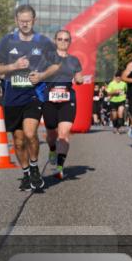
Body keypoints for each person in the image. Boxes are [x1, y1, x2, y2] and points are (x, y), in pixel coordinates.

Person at [0, 4, 60, 191]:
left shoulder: (43, 42)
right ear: (16, 21)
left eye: (28, 21)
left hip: (33, 95)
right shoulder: (6, 42)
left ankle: (35, 167)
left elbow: (57, 65)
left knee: (30, 133)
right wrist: (13, 66)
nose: (25, 24)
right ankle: (26, 173)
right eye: (22, 21)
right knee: (19, 141)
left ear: (34, 20)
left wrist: (42, 76)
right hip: (12, 97)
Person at [42, 30, 83, 179]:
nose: (63, 42)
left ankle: (59, 168)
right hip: (49, 99)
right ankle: (52, 149)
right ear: (55, 40)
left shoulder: (74, 60)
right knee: (51, 134)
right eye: (60, 39)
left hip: (67, 99)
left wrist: (79, 79)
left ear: (70, 42)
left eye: (66, 40)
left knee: (64, 134)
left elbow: (79, 77)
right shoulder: (47, 58)